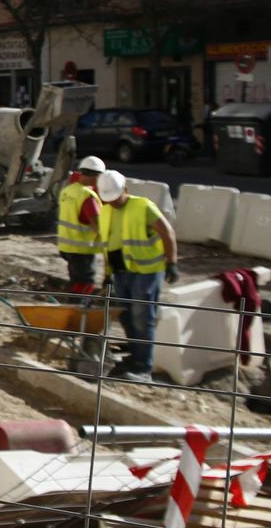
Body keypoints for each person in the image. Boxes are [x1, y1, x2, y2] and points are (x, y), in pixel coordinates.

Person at [96, 169, 181, 383]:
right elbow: (110, 244)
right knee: (125, 315)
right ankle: (135, 357)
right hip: (122, 272)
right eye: (109, 199)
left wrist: (172, 263)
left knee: (142, 318)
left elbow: (167, 232)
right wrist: (108, 274)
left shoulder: (143, 206)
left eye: (115, 198)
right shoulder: (106, 211)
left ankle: (144, 367)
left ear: (125, 189)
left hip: (147, 272)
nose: (112, 203)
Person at [57, 156, 108, 298]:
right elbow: (97, 225)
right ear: (96, 176)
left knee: (75, 280)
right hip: (82, 249)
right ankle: (78, 309)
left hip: (66, 246)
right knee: (86, 282)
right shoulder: (87, 196)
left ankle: (73, 305)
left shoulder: (68, 191)